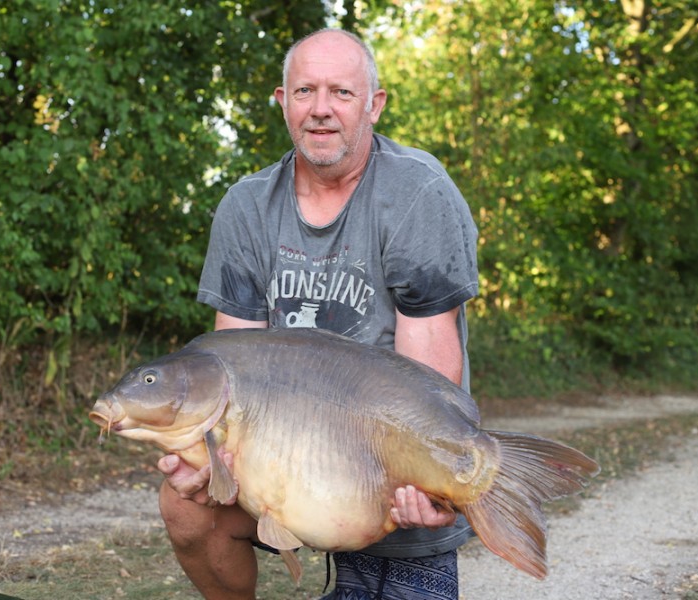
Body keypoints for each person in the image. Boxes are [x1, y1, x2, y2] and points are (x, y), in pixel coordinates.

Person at [157, 28, 480, 600]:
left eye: (342, 93)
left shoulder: (416, 193)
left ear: (374, 105)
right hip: (285, 459)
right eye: (305, 91)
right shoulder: (247, 206)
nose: (322, 110)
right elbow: (230, 372)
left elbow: (428, 378)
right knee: (184, 504)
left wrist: (424, 479)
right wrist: (210, 458)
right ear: (283, 102)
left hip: (383, 463)